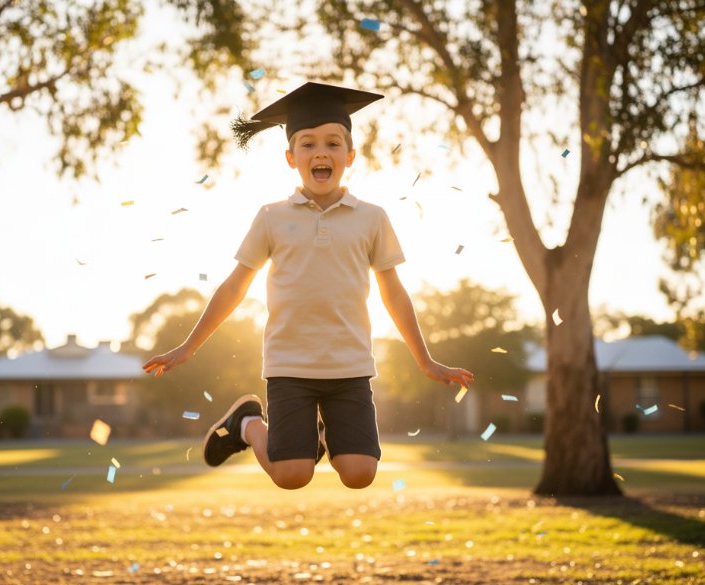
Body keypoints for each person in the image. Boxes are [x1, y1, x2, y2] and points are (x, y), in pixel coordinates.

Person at [142, 82, 474, 490]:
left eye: (333, 144)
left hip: (350, 366)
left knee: (360, 473)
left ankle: (313, 435)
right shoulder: (271, 218)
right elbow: (234, 287)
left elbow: (394, 293)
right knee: (292, 475)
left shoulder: (372, 218)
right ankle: (247, 423)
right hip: (289, 367)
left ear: (349, 156)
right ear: (290, 157)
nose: (321, 152)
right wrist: (187, 347)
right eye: (308, 144)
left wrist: (425, 360)